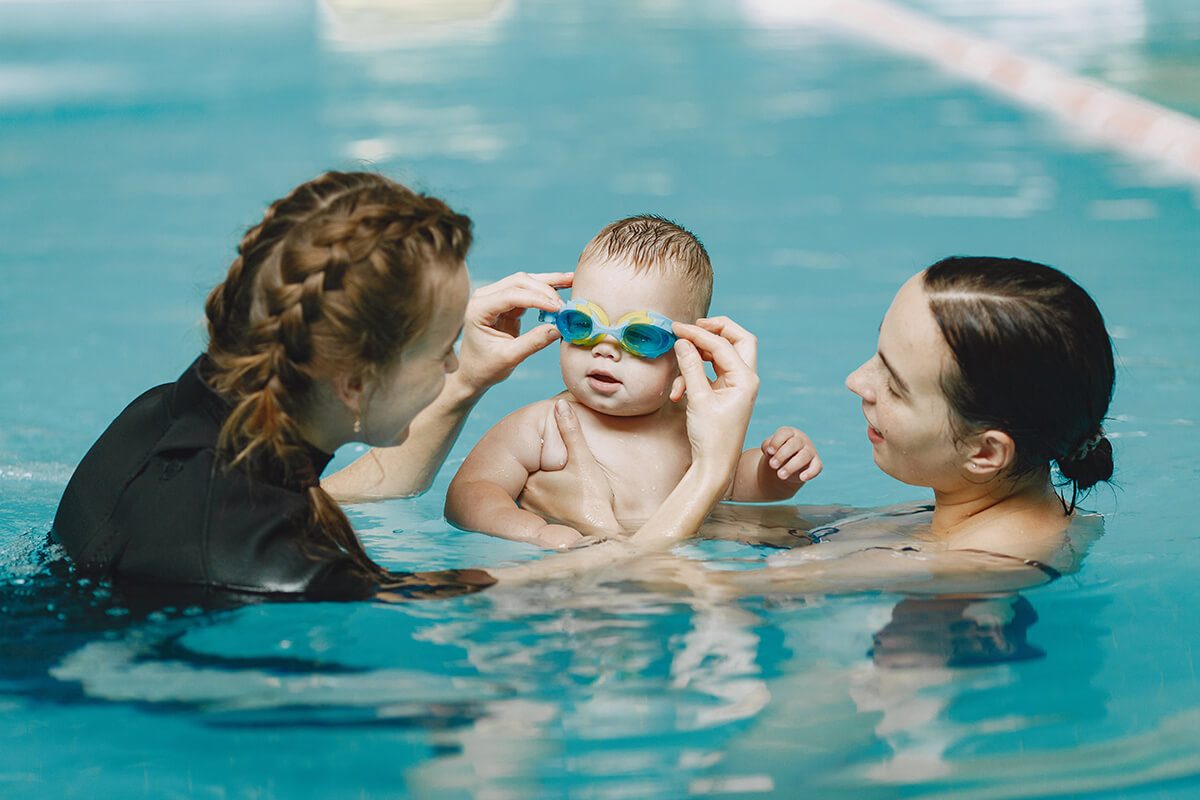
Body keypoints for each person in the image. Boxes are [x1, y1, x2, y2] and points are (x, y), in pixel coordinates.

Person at [51, 172, 760, 602]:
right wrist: (707, 471)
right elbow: (598, 581)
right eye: (444, 347)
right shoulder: (286, 571)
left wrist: (471, 378)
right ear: (356, 383)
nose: (457, 362)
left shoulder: (170, 413)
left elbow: (365, 489)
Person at [555, 256, 1116, 596]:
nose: (855, 381)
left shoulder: (972, 567)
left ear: (985, 452)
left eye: (893, 384)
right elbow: (757, 531)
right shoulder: (964, 512)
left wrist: (709, 469)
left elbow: (631, 586)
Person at [443, 215, 822, 549]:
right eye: (583, 325)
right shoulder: (544, 424)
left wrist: (777, 469)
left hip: (666, 569)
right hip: (577, 579)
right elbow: (469, 494)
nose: (604, 350)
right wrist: (533, 532)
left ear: (687, 355)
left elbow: (732, 483)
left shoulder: (692, 423)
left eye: (639, 337)